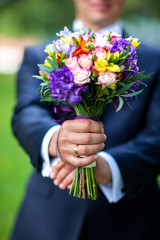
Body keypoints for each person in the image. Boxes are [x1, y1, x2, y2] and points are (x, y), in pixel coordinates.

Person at [10, 0, 160, 239]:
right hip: (47, 216)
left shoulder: (155, 60)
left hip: (132, 220)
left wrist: (109, 167)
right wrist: (56, 140)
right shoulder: (39, 54)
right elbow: (27, 112)